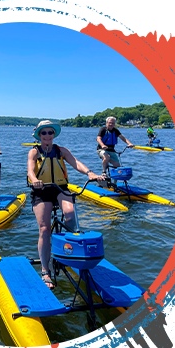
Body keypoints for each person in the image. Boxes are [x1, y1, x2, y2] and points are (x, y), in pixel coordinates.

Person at [28, 120, 105, 289]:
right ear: (39, 135)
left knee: (70, 215)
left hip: (60, 189)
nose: (47, 136)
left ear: (54, 134)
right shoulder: (34, 152)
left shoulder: (61, 151)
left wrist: (90, 173)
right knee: (44, 229)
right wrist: (35, 181)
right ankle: (45, 270)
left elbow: (75, 162)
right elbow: (30, 170)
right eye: (44, 133)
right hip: (41, 190)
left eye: (50, 132)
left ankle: (66, 249)